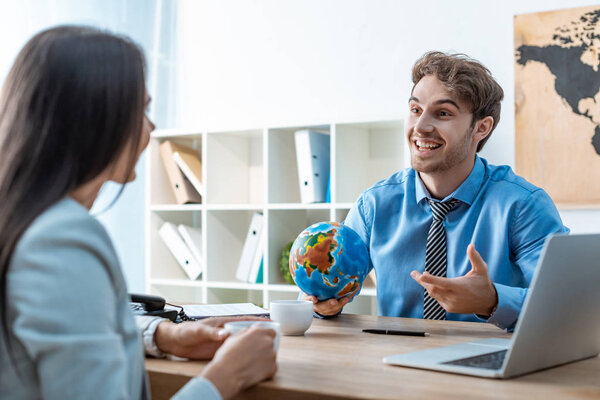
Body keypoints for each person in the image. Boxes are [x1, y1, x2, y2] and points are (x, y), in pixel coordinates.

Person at [0, 26, 276, 399]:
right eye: (143, 109)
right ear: (96, 119)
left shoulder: (23, 221)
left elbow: (64, 324)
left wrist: (163, 335)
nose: (153, 126)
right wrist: (225, 377)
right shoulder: (61, 239)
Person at [303, 51, 568, 331]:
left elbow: (566, 303)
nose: (420, 127)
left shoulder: (523, 205)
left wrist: (493, 300)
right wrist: (321, 303)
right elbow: (319, 286)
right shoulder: (374, 205)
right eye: (416, 110)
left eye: (442, 113)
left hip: (487, 364)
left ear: (481, 127)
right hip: (397, 363)